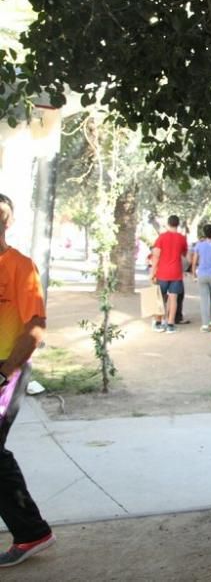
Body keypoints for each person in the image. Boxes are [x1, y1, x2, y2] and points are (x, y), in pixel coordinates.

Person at [0, 193, 56, 568]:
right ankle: (31, 530)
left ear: (9, 221)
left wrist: (5, 370)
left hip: (6, 370)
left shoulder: (20, 266)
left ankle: (32, 531)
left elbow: (36, 325)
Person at [150, 215, 188, 333]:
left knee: (160, 298)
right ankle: (170, 324)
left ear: (168, 223)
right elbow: (184, 254)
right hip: (176, 272)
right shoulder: (182, 238)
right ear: (178, 224)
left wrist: (153, 272)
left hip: (162, 272)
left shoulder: (162, 237)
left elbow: (156, 255)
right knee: (173, 299)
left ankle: (158, 322)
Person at [190, 223, 211, 331]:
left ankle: (205, 325)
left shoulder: (199, 245)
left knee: (204, 299)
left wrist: (193, 273)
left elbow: (194, 260)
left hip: (202, 275)